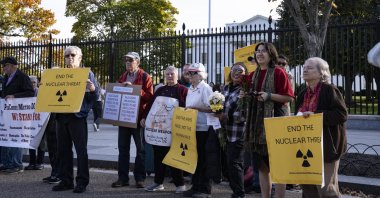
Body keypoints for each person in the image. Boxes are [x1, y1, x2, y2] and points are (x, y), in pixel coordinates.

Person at [245, 42, 294, 198]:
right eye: (257, 51)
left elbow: (289, 98)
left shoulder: (279, 72)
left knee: (278, 167)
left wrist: (269, 96)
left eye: (263, 51)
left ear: (271, 54)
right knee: (262, 167)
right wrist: (244, 97)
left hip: (275, 123)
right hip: (257, 127)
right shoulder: (253, 75)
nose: (259, 54)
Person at [295, 57, 347, 198]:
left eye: (310, 67)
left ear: (321, 73)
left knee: (327, 190)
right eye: (304, 67)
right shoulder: (302, 94)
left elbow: (341, 114)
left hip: (327, 147)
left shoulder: (330, 90)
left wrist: (315, 115)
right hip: (306, 147)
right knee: (308, 187)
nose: (305, 69)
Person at [52, 46, 99, 193]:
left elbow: (95, 97)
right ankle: (66, 180)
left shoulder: (87, 74)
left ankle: (82, 181)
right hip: (61, 116)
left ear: (80, 57)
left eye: (73, 55)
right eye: (67, 55)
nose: (70, 57)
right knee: (63, 150)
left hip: (77, 117)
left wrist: (92, 90)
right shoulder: (60, 74)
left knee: (81, 150)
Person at [140, 66, 188, 194]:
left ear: (177, 76)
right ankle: (158, 183)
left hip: (175, 130)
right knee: (158, 157)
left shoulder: (183, 90)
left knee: (174, 157)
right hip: (159, 130)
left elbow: (187, 109)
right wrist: (144, 117)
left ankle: (180, 185)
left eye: (172, 74)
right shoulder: (160, 90)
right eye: (167, 74)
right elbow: (151, 105)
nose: (170, 76)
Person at [111, 52, 153, 189]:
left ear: (138, 62)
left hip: (138, 118)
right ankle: (122, 178)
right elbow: (116, 95)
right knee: (123, 149)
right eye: (126, 60)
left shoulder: (145, 76)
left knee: (140, 150)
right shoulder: (122, 76)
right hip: (123, 118)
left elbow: (150, 97)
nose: (128, 62)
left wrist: (135, 90)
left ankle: (139, 179)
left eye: (131, 60)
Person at [182, 63, 214, 198]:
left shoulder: (205, 88)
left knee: (203, 159)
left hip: (203, 128)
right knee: (194, 158)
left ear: (200, 75)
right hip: (192, 127)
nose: (189, 76)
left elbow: (214, 108)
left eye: (192, 73)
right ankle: (195, 186)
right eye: (189, 73)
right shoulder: (191, 88)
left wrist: (198, 109)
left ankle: (205, 188)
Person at [218, 62, 248, 198]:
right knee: (227, 164)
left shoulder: (245, 90)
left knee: (234, 163)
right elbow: (220, 106)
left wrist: (227, 116)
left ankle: (239, 193)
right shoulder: (226, 88)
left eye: (240, 71)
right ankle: (236, 190)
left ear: (245, 75)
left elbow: (245, 114)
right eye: (234, 70)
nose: (237, 73)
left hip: (238, 132)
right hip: (225, 133)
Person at [0, 56, 35, 174]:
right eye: (3, 66)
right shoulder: (6, 78)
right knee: (6, 136)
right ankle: (7, 163)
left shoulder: (22, 76)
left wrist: (14, 97)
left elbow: (30, 92)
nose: (3, 68)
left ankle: (17, 164)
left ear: (12, 66)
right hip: (7, 113)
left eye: (5, 65)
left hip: (19, 113)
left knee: (16, 138)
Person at [25, 76, 45, 171]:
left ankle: (40, 162)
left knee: (41, 142)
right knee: (31, 142)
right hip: (30, 121)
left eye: (34, 82)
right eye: (30, 82)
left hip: (40, 120)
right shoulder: (26, 93)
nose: (32, 84)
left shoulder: (41, 92)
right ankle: (32, 162)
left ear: (37, 83)